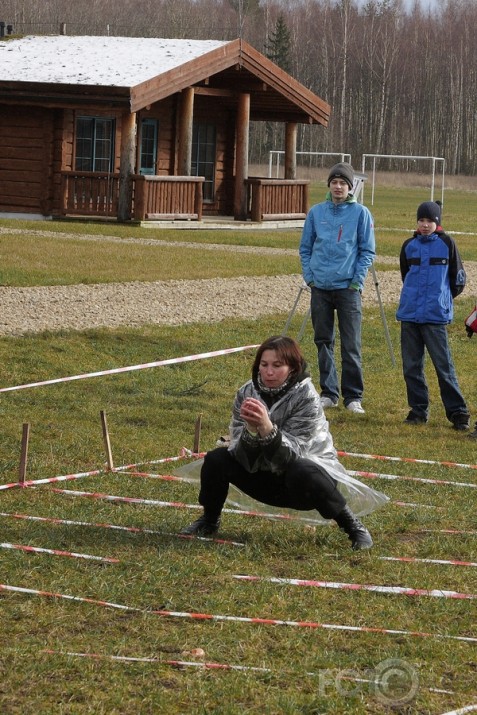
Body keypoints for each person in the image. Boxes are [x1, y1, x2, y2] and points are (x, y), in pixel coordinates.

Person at [180, 336, 388, 550]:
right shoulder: (246, 392)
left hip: (304, 484)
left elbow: (293, 455)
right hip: (263, 477)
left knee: (303, 469)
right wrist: (251, 432)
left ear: (292, 368)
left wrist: (267, 428)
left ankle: (354, 528)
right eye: (264, 365)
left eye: (277, 366)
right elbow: (238, 453)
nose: (269, 372)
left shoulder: (307, 397)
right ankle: (209, 520)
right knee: (217, 458)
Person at [299, 162, 375, 414]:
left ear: (350, 187)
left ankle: (353, 397)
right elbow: (305, 248)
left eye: (343, 183)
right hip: (320, 287)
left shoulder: (361, 214)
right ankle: (329, 392)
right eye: (334, 182)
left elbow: (367, 251)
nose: (338, 186)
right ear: (329, 185)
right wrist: (310, 277)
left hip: (348, 289)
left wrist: (357, 281)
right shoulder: (316, 213)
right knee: (323, 341)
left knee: (351, 343)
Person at [396, 200, 470, 430]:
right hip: (409, 315)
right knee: (411, 367)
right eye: (421, 220)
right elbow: (405, 274)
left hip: (435, 317)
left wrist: (442, 299)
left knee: (443, 366)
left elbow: (458, 280)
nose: (425, 225)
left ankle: (458, 413)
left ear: (437, 223)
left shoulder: (447, 244)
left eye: (429, 221)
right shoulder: (408, 245)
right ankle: (418, 410)